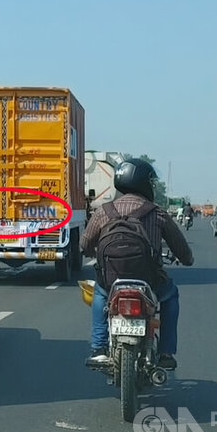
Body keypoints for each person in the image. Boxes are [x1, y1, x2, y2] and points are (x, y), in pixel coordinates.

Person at [83, 158, 194, 370]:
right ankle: (165, 352)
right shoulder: (157, 212)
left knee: (99, 293)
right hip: (149, 281)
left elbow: (85, 244)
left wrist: (92, 252)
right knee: (171, 296)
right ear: (145, 183)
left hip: (111, 281)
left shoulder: (104, 211)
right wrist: (187, 259)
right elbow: (182, 250)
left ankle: (98, 349)